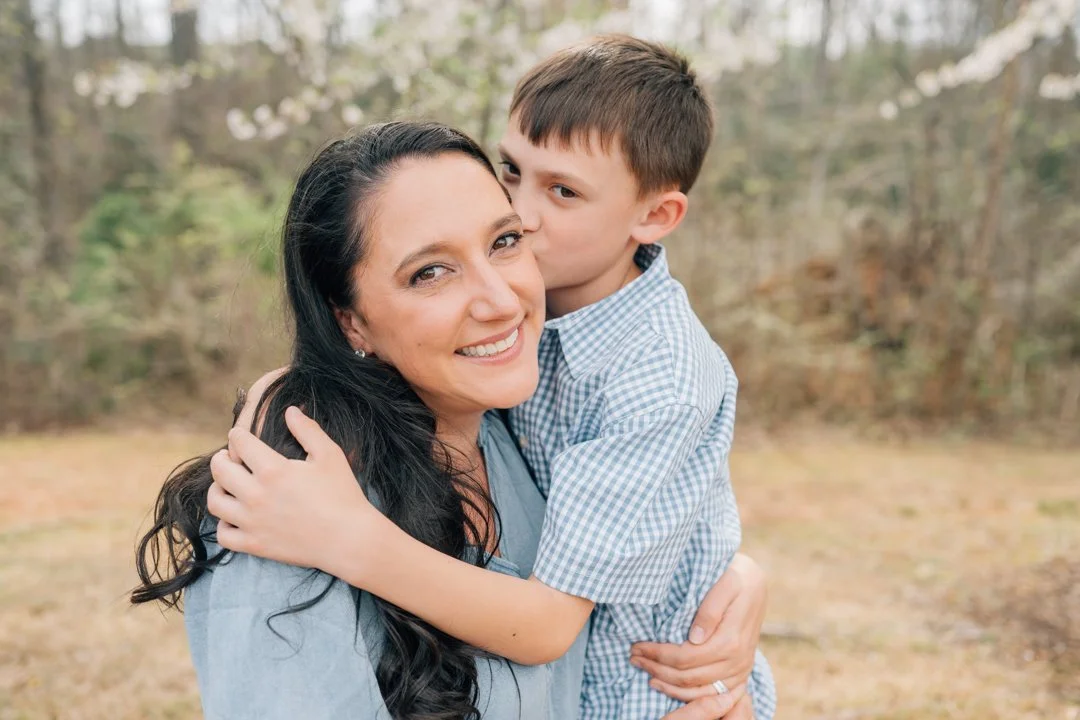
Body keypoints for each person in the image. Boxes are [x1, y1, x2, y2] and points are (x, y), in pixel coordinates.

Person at [212, 35, 776, 719]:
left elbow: (556, 616)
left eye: (504, 240)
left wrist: (738, 578)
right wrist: (292, 393)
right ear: (349, 321)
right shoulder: (288, 501)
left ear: (654, 217)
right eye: (512, 172)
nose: (525, 218)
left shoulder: (642, 376)